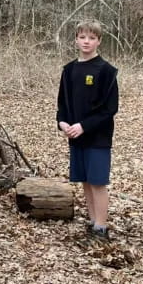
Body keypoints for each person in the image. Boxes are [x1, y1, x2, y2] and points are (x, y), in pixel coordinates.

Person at [56, 19, 119, 244]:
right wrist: (62, 123)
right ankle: (93, 222)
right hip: (75, 136)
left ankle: (101, 228)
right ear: (75, 39)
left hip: (98, 137)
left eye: (91, 38)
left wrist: (84, 126)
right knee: (84, 181)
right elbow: (62, 104)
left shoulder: (107, 71)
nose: (86, 41)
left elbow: (110, 109)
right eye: (82, 37)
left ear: (99, 41)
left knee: (97, 182)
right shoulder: (69, 69)